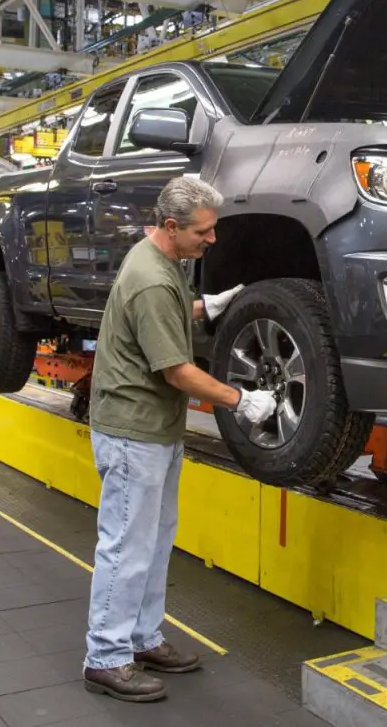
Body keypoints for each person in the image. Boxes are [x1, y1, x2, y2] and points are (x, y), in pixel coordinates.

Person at [82, 176, 277, 703]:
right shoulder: (150, 277)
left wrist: (206, 305)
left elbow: (167, 314)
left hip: (156, 431)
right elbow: (177, 372)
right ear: (172, 226)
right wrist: (241, 400)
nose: (211, 240)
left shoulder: (164, 261)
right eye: (203, 232)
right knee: (126, 546)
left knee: (155, 539)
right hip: (133, 432)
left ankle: (141, 638)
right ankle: (105, 656)